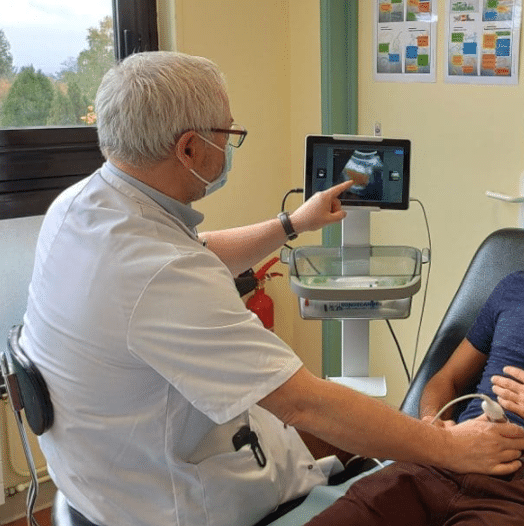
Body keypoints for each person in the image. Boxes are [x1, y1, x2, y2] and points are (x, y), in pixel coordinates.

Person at [20, 51, 524, 526]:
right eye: (228, 133)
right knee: (340, 426)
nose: (229, 145)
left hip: (96, 481)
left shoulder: (80, 206)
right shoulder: (160, 278)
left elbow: (194, 250)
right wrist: (451, 448)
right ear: (189, 148)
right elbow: (306, 404)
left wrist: (292, 224)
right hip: (175, 501)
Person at [305, 271, 524, 526]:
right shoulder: (513, 287)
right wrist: (435, 425)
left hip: (512, 489)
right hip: (445, 459)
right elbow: (446, 379)